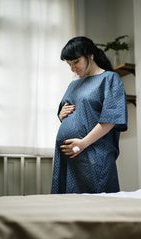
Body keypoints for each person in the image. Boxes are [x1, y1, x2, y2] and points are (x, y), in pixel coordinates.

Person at [51, 36, 128, 194]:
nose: (73, 68)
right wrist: (60, 115)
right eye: (69, 64)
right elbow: (69, 113)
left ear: (90, 55)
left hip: (93, 154)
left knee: (97, 205)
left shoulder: (109, 79)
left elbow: (110, 119)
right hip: (69, 156)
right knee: (68, 206)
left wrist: (82, 144)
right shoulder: (74, 84)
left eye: (76, 62)